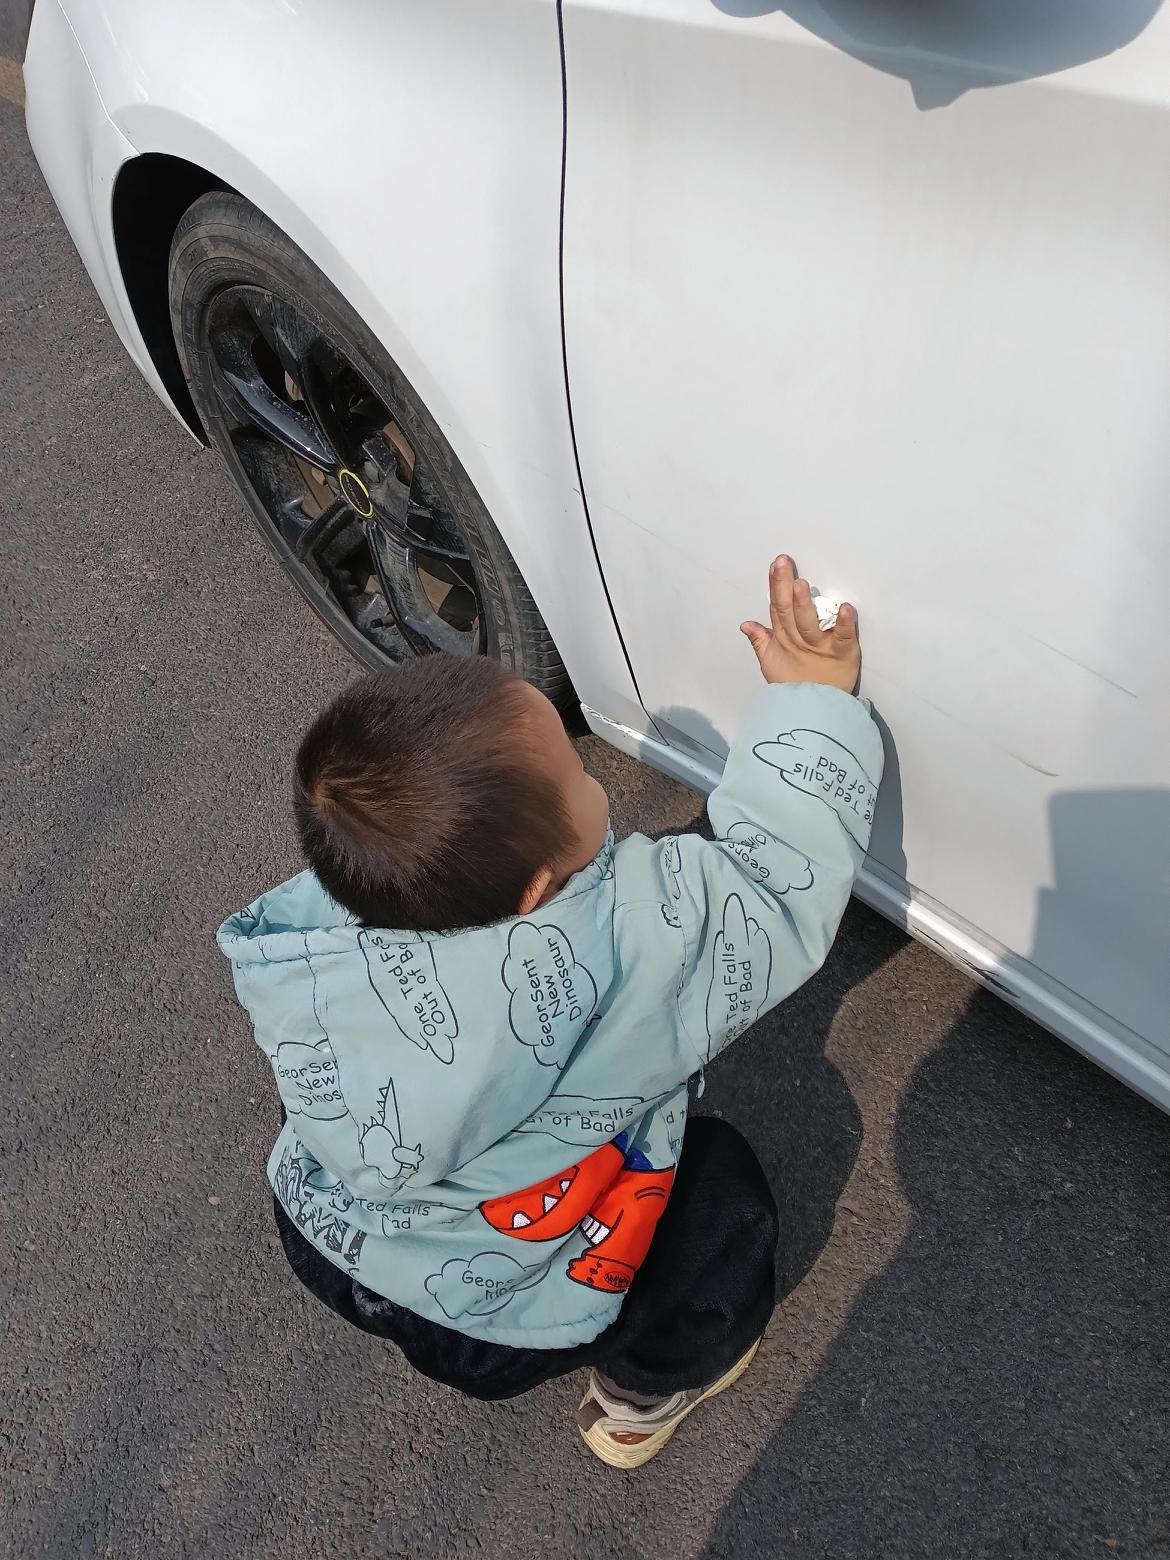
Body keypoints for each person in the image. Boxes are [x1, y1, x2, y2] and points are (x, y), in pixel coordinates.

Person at [217, 555, 883, 1468]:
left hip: (326, 1232)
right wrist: (815, 707)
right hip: (508, 1319)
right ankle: (642, 1395)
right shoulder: (625, 941)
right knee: (716, 1208)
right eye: (580, 776)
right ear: (539, 891)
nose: (594, 782)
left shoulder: (323, 935)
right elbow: (769, 887)